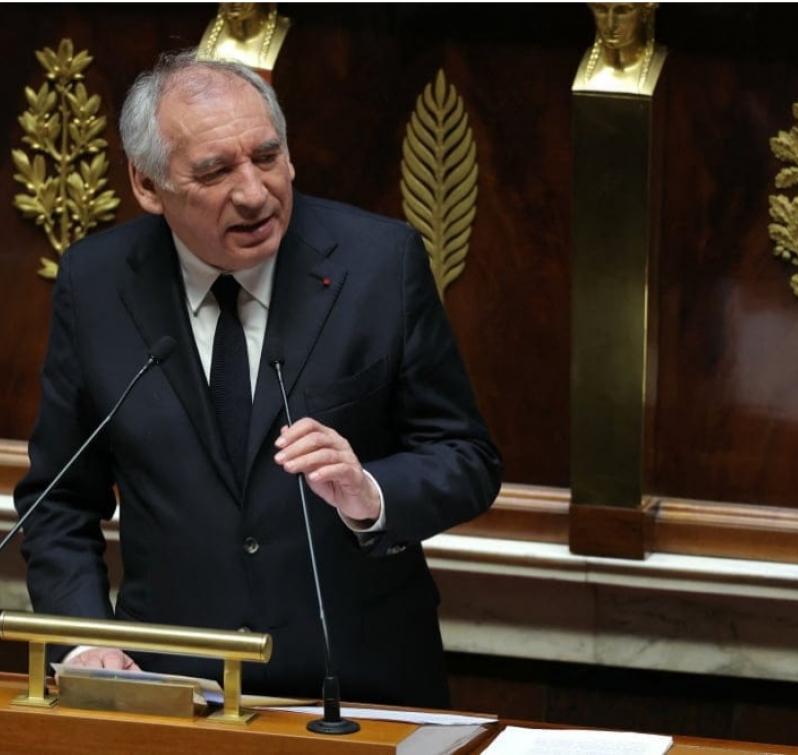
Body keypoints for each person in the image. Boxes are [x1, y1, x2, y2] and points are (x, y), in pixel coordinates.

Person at [13, 50, 501, 708]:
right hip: (169, 687)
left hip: (354, 682)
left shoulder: (380, 265)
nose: (253, 192)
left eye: (267, 157)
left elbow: (466, 457)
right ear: (148, 185)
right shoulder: (96, 283)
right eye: (214, 171)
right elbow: (61, 500)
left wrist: (369, 492)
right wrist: (82, 636)